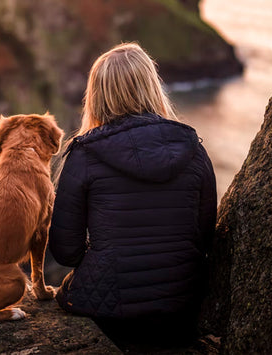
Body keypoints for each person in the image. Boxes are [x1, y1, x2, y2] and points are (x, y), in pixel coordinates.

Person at [48, 42, 217, 349]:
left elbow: (65, 252)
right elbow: (204, 239)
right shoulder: (194, 150)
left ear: (97, 95)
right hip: (182, 305)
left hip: (111, 313)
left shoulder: (84, 155)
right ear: (153, 86)